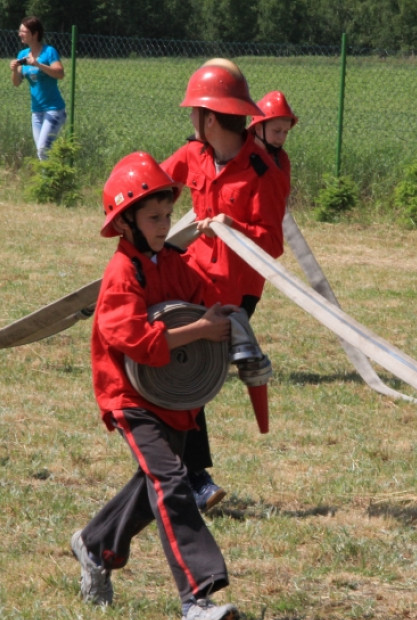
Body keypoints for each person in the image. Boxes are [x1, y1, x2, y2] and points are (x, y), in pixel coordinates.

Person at [69, 151, 241, 620]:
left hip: (176, 399)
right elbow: (136, 341)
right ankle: (196, 601)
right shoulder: (123, 273)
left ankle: (95, 544)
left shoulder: (172, 261)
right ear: (125, 223)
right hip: (132, 398)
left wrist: (227, 313)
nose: (165, 224)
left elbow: (207, 299)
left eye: (167, 215)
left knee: (152, 490)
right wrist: (200, 331)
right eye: (154, 217)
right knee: (172, 482)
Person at [161, 59, 290, 513]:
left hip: (234, 294)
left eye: (194, 110)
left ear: (210, 118)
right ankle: (188, 477)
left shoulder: (262, 172)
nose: (190, 118)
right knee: (176, 372)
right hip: (189, 280)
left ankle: (192, 479)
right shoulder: (195, 153)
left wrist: (234, 227)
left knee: (185, 375)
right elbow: (160, 180)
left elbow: (272, 244)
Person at [10, 16, 67, 161]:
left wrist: (38, 65)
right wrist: (14, 69)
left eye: (23, 31)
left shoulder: (49, 52)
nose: (20, 34)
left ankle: (52, 180)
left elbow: (60, 74)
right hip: (37, 112)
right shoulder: (22, 55)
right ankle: (50, 180)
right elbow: (16, 83)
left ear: (34, 34)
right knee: (42, 153)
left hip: (54, 110)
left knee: (43, 150)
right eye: (20, 31)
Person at [249, 90, 298, 177]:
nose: (281, 137)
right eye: (277, 131)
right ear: (258, 128)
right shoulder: (242, 157)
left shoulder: (282, 160)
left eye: (285, 132)